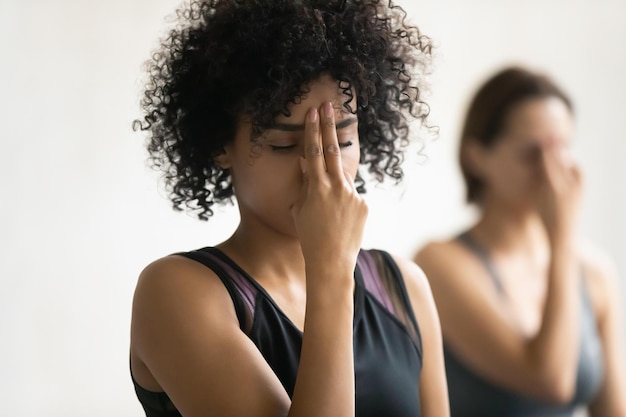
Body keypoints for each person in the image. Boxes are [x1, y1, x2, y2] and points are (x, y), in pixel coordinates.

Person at [130, 1, 449, 416]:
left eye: (344, 140)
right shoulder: (178, 292)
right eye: (285, 144)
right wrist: (331, 268)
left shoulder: (403, 286)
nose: (317, 167)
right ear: (220, 145)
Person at [414, 66, 626, 417]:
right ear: (476, 157)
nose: (550, 171)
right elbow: (551, 380)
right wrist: (562, 239)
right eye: (532, 154)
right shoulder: (439, 264)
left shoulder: (596, 272)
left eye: (561, 149)